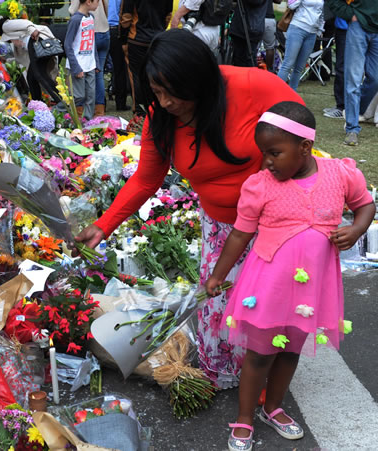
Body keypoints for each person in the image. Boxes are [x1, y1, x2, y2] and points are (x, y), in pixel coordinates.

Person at [75, 30, 303, 389]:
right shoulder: (161, 118)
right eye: (157, 91)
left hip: (274, 225)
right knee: (219, 301)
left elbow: (302, 128)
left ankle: (267, 380)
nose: (164, 102)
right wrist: (104, 225)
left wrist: (279, 179)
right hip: (221, 227)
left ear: (198, 80)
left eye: (171, 91)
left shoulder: (252, 85)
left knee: (268, 305)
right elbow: (145, 180)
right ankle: (224, 373)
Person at [204, 101, 375, 451]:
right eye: (264, 153)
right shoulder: (260, 186)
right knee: (259, 354)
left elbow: (365, 204)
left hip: (311, 294)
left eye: (274, 152)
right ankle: (245, 417)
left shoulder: (341, 174)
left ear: (305, 147)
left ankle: (272, 407)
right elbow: (240, 234)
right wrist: (217, 275)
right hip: (267, 289)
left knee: (290, 351)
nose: (266, 161)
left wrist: (356, 229)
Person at [326, 0, 378, 146]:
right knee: (353, 80)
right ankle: (352, 128)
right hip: (358, 26)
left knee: (375, 79)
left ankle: (355, 111)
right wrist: (350, 15)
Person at [119, 0, 173, 114]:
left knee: (136, 76)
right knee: (157, 75)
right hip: (157, 38)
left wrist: (123, 39)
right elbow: (168, 15)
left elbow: (126, 17)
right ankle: (157, 108)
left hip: (137, 39)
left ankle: (140, 112)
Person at [0, 18, 62, 104]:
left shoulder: (5, 25)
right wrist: (6, 60)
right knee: (31, 77)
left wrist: (33, 30)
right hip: (38, 42)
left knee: (40, 75)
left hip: (37, 41)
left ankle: (60, 102)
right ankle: (38, 104)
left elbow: (26, 23)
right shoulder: (17, 38)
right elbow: (20, 58)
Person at [70, 0, 109, 117]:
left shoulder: (80, 17)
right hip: (104, 30)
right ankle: (99, 111)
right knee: (99, 75)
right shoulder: (91, 14)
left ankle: (81, 112)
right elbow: (107, 6)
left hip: (87, 32)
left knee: (89, 76)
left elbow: (72, 9)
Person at [277, 0, 324, 91]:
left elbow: (322, 13)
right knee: (287, 64)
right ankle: (278, 95)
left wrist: (320, 30)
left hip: (312, 33)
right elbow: (291, 5)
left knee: (299, 68)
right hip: (297, 28)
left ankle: (292, 95)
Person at [65, 0, 101, 120]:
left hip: (90, 64)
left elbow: (92, 42)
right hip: (78, 65)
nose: (99, 4)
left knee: (91, 96)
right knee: (78, 96)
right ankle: (58, 112)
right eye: (97, 1)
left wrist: (96, 62)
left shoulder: (91, 17)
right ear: (88, 2)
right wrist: (75, 67)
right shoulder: (75, 20)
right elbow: (68, 45)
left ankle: (88, 122)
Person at [322, 16, 348, 119]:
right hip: (341, 28)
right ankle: (341, 105)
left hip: (349, 28)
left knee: (342, 67)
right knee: (340, 66)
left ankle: (342, 107)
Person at [230, 0, 268, 67]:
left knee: (249, 60)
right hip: (241, 28)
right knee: (238, 60)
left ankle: (247, 76)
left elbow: (255, 2)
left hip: (251, 28)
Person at [108, 0, 130, 110]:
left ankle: (99, 104)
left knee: (98, 70)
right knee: (120, 68)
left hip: (101, 30)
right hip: (116, 30)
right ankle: (120, 104)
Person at [262, 0, 281, 71]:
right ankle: (269, 71)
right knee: (270, 47)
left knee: (254, 47)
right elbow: (279, 1)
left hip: (255, 17)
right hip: (269, 18)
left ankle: (253, 70)